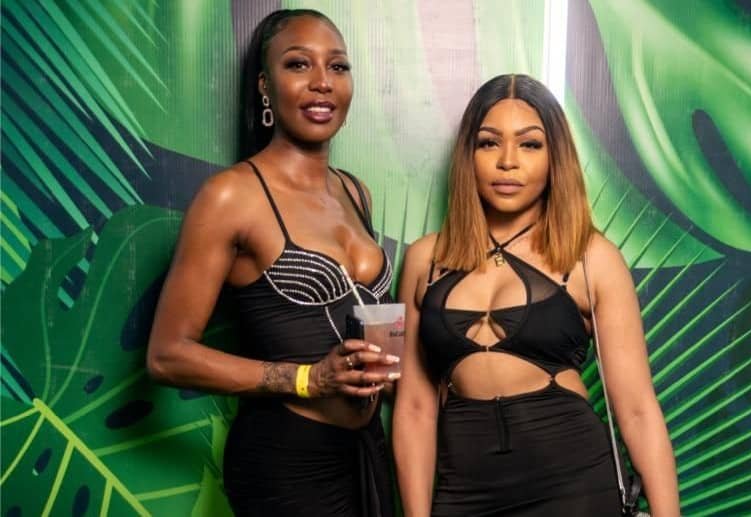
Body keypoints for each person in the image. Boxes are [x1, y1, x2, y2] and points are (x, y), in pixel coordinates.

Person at [147, 9, 397, 516]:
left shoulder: (356, 192)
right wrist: (309, 379)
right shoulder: (231, 196)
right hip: (287, 462)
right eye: (299, 65)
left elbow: (374, 325)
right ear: (265, 85)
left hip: (366, 449)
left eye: (338, 66)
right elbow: (167, 355)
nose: (322, 82)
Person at [393, 74, 679, 516]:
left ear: (554, 157)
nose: (508, 161)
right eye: (489, 143)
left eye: (529, 144)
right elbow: (414, 408)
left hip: (575, 489)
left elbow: (638, 410)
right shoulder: (425, 259)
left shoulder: (591, 258)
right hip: (464, 493)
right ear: (468, 154)